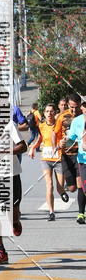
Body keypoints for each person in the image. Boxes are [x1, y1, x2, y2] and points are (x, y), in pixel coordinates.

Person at [0, 120, 27, 265]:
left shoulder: (9, 124)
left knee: (12, 215)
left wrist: (5, 152)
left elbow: (23, 146)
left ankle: (15, 222)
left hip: (10, 174)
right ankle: (1, 251)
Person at [28, 103, 65, 221]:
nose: (49, 113)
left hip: (58, 159)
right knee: (49, 185)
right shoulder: (42, 126)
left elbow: (64, 139)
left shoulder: (59, 125)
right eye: (47, 111)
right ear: (44, 113)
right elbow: (40, 139)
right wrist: (33, 148)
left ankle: (63, 192)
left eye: (51, 111)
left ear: (55, 113)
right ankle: (51, 212)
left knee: (60, 187)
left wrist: (61, 144)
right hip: (46, 159)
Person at [58, 96, 86, 224]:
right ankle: (81, 213)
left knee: (81, 185)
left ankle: (81, 213)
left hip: (79, 156)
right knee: (79, 186)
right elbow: (69, 138)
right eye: (71, 107)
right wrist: (62, 143)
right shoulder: (72, 120)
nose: (74, 110)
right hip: (79, 158)